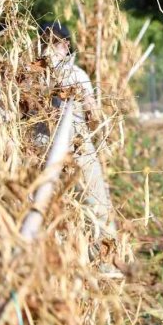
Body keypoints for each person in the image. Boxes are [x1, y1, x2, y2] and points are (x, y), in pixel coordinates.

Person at [39, 23, 116, 237]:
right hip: (56, 148)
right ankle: (102, 262)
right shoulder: (50, 74)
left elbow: (93, 113)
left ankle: (103, 260)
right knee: (94, 204)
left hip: (62, 146)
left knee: (85, 204)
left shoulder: (72, 74)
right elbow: (94, 114)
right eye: (54, 43)